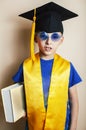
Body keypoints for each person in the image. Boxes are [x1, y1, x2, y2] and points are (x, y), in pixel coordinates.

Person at [13, 2, 82, 130]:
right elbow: (17, 94)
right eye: (43, 36)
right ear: (35, 38)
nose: (49, 41)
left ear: (61, 40)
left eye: (55, 36)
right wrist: (20, 110)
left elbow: (74, 102)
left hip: (61, 126)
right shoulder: (26, 66)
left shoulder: (67, 67)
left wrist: (73, 127)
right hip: (34, 126)